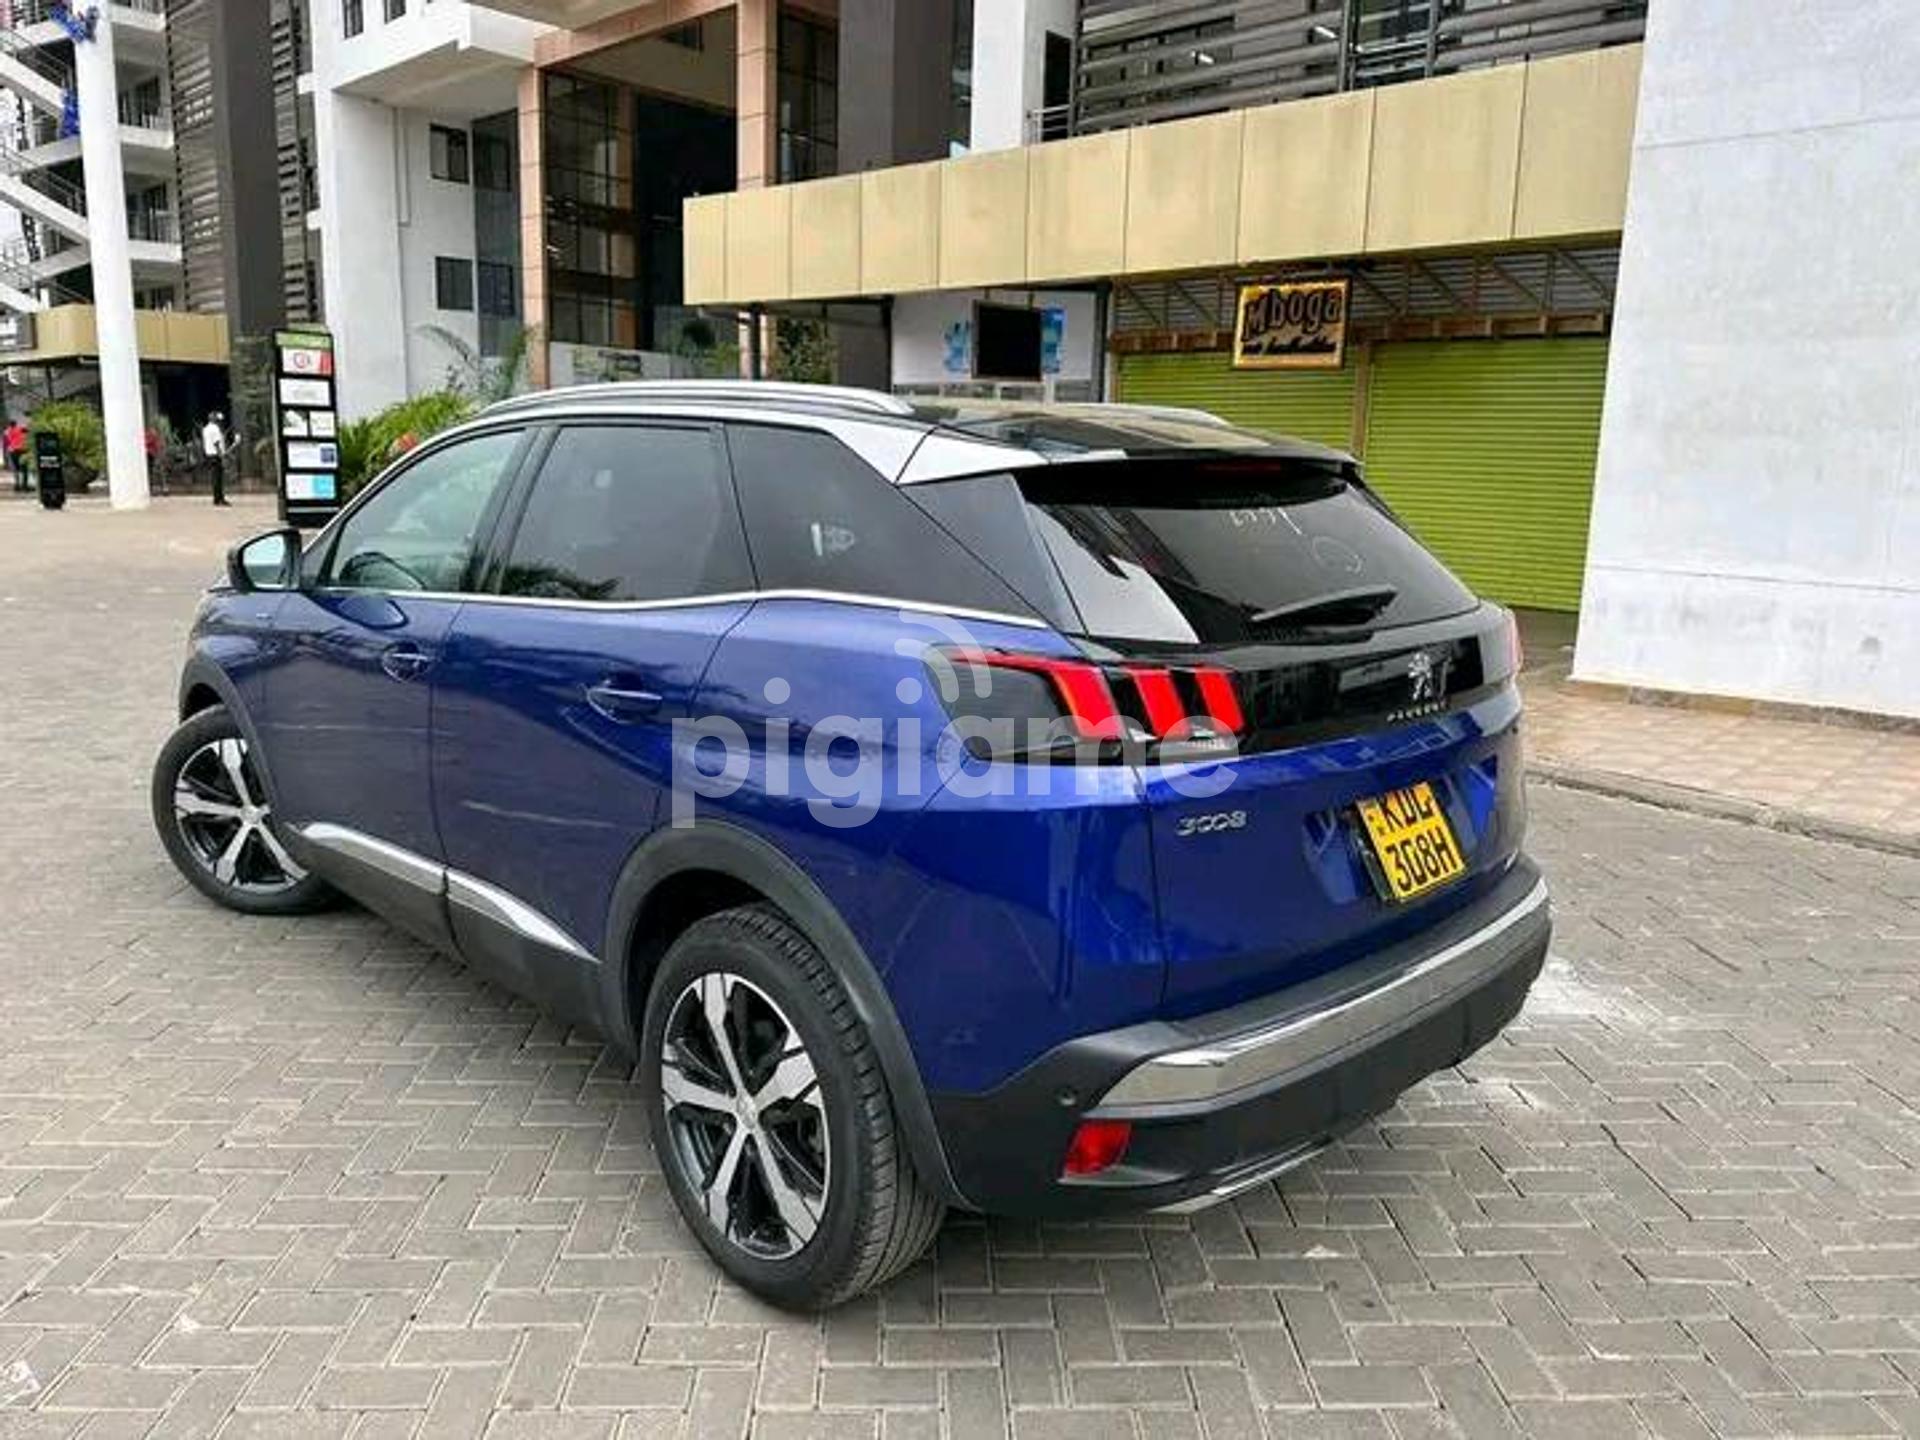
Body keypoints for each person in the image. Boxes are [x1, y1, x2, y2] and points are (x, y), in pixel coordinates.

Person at [200, 411, 230, 507]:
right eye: (219, 420)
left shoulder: (205, 429)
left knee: (214, 477)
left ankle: (217, 498)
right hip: (216, 455)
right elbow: (216, 443)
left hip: (209, 455)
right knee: (218, 478)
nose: (220, 422)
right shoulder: (215, 429)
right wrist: (222, 456)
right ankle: (219, 499)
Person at [4, 418, 26, 492]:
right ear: (16, 424)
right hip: (22, 450)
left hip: (13, 450)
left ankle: (17, 485)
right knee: (24, 468)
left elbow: (6, 443)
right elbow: (27, 432)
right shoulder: (20, 429)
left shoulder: (7, 431)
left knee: (15, 468)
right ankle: (24, 485)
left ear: (9, 425)